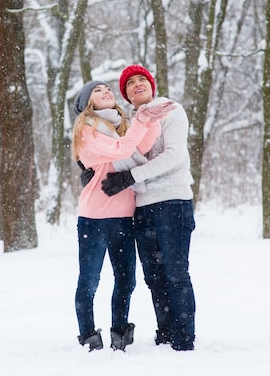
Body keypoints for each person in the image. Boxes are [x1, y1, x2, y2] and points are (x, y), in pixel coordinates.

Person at [71, 79, 174, 352]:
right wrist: (141, 121)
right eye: (97, 90)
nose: (105, 91)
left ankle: (120, 334)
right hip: (94, 219)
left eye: (106, 88)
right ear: (87, 103)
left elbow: (141, 147)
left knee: (126, 280)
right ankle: (88, 337)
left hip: (124, 217)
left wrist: (149, 120)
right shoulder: (87, 130)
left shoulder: (122, 128)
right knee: (89, 282)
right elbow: (122, 150)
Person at [101, 65, 197, 351]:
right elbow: (122, 159)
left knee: (176, 274)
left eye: (142, 79)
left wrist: (131, 177)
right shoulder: (129, 126)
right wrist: (95, 170)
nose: (137, 84)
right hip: (142, 207)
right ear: (126, 94)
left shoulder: (170, 110)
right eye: (130, 83)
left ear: (152, 86)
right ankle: (165, 334)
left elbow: (174, 156)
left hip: (173, 202)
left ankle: (183, 339)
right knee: (153, 277)